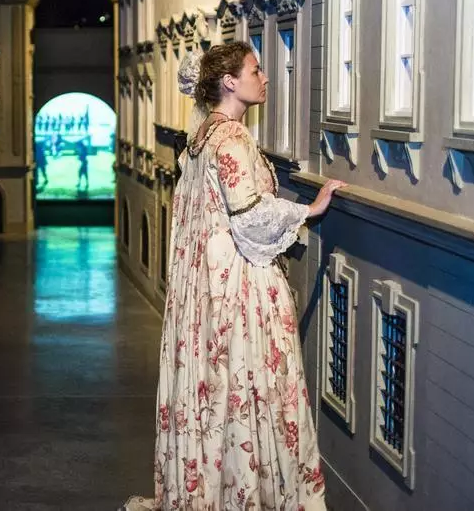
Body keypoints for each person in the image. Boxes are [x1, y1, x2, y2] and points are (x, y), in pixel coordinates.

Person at [124, 42, 346, 511]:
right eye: (255, 70)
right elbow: (249, 216)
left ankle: (215, 492)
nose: (264, 78)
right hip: (236, 289)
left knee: (221, 390)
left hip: (206, 289)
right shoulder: (230, 139)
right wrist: (309, 209)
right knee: (251, 386)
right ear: (230, 82)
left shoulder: (202, 135)